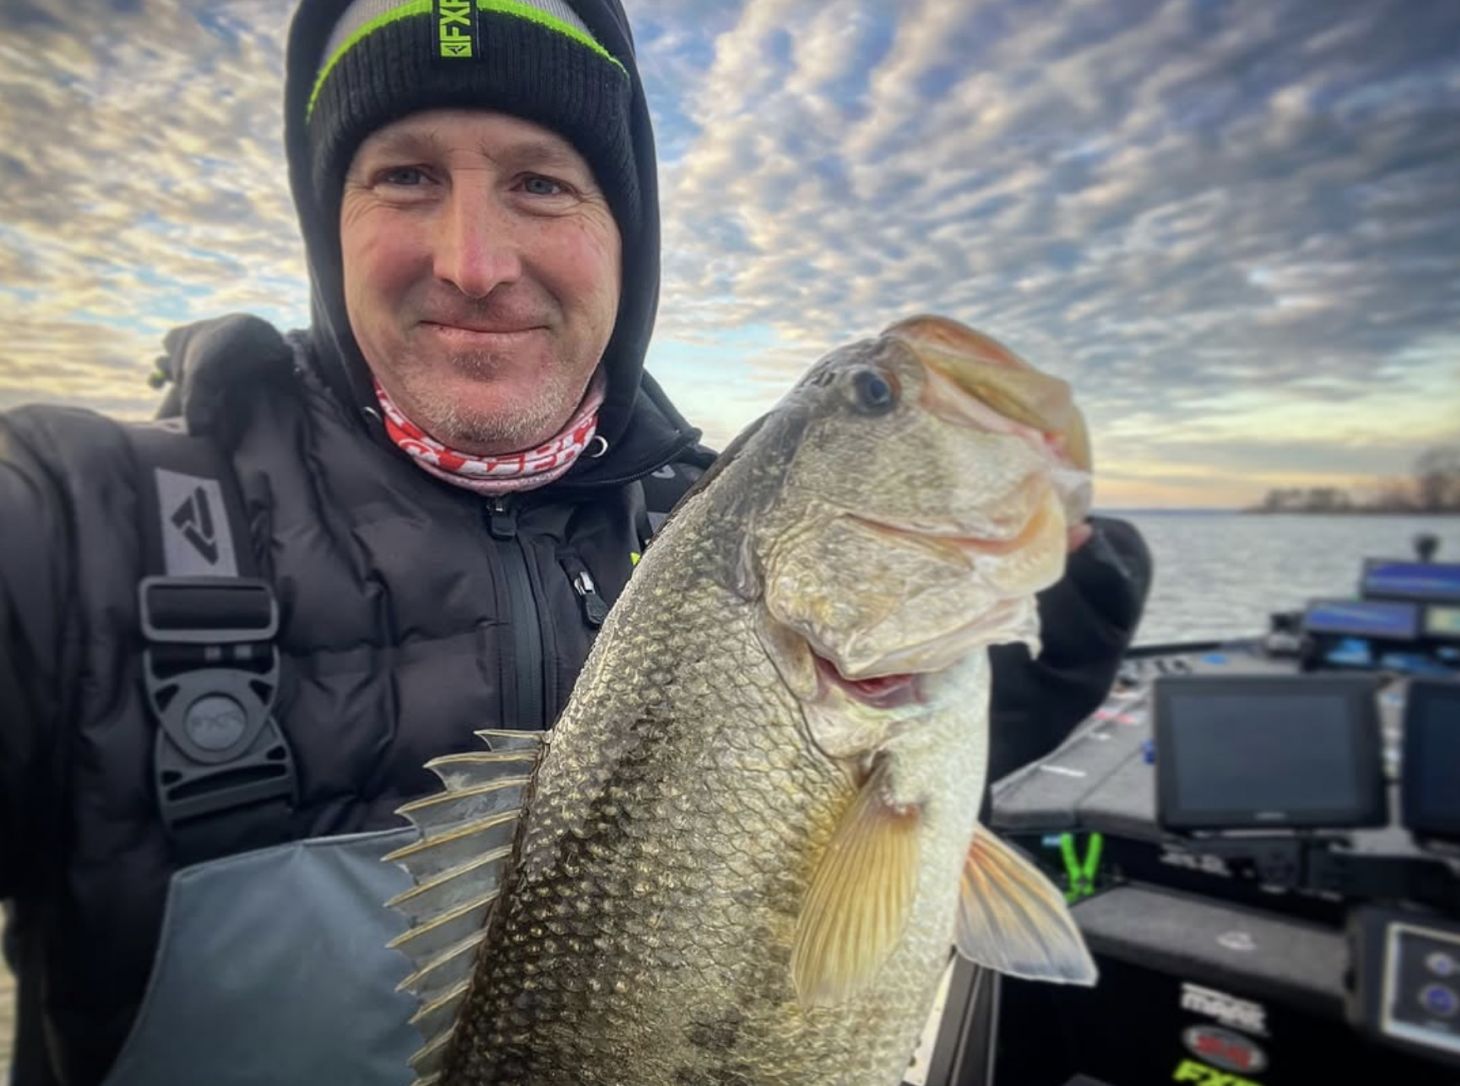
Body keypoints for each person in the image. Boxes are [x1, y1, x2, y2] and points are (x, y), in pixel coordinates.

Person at [0, 1, 1151, 1083]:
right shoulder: (68, 515)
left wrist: (964, 747)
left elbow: (830, 885)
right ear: (326, 222)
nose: (472, 259)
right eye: (403, 174)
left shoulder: (711, 522)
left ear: (625, 236)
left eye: (541, 183)